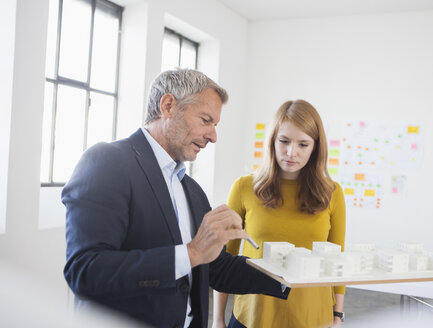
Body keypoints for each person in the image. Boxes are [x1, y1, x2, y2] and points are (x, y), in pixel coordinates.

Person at [62, 69, 289, 328]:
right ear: (168, 106)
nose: (213, 136)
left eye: (215, 125)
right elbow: (86, 271)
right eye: (206, 120)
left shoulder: (191, 189)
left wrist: (289, 274)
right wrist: (190, 253)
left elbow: (215, 267)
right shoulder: (107, 162)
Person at [213, 100, 346, 328]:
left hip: (312, 317)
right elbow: (224, 261)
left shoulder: (332, 193)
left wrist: (337, 315)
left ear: (315, 147)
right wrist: (217, 319)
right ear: (272, 140)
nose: (291, 152)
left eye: (303, 144)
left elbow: (336, 261)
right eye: (284, 141)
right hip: (253, 315)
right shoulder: (244, 188)